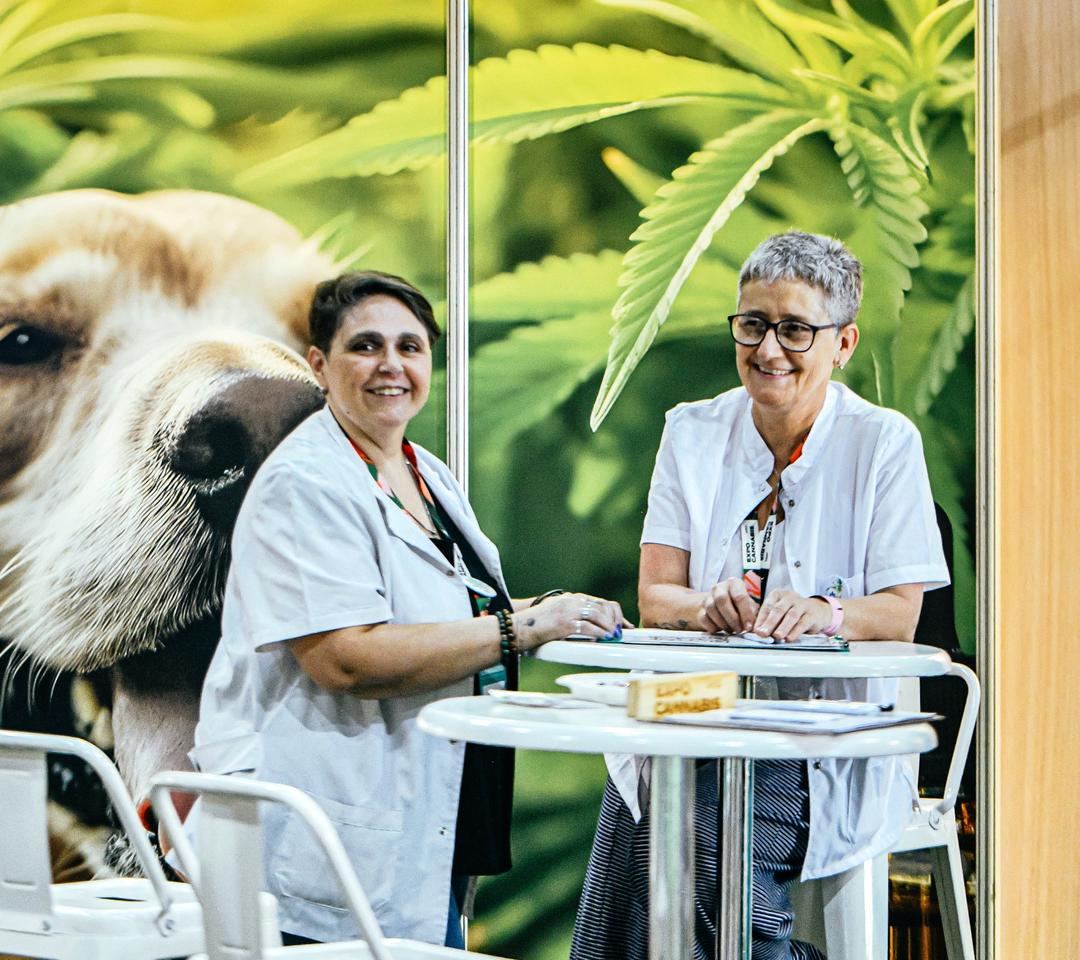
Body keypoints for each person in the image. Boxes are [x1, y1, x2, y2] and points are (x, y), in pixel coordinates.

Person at [191, 271, 627, 947]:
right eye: (365, 346)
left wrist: (553, 608)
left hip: (433, 811)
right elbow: (346, 657)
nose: (391, 365)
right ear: (319, 365)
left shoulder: (424, 471)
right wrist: (522, 628)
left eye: (411, 347)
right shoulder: (304, 483)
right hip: (329, 822)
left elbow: (454, 609)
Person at [570, 232, 950, 960]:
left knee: (692, 838)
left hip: (820, 729)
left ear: (842, 344)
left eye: (795, 329)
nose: (769, 349)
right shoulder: (690, 431)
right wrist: (704, 604)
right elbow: (657, 595)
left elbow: (901, 611)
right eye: (752, 325)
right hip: (697, 704)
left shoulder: (883, 443)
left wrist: (823, 613)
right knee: (643, 794)